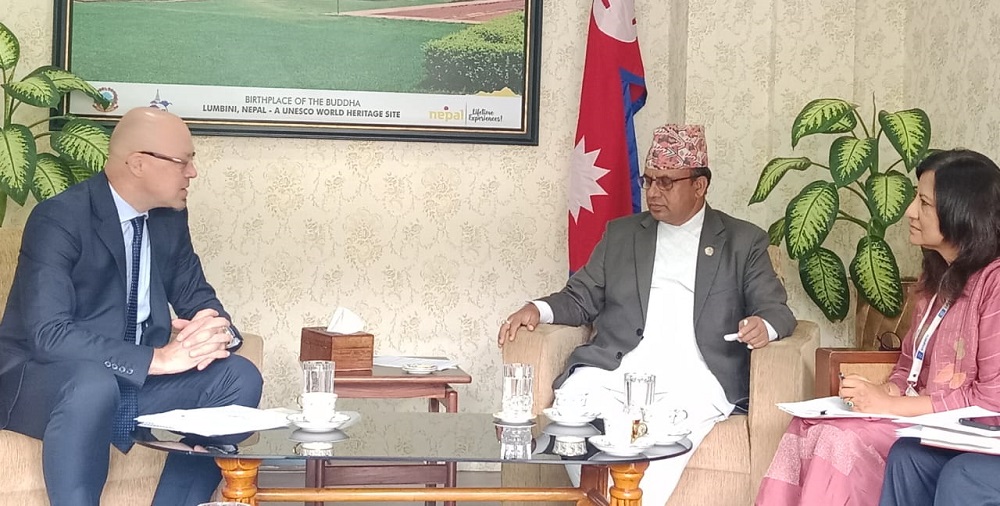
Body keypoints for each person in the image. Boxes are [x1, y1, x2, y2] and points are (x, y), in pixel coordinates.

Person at [497, 124, 797, 504]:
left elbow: (775, 309)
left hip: (695, 373)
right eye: (649, 180)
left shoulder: (742, 241)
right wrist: (537, 309)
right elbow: (580, 296)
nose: (653, 192)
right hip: (618, 365)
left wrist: (763, 326)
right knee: (569, 422)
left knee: (662, 441)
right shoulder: (623, 235)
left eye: (666, 182)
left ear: (700, 185)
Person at [0, 107, 264, 506]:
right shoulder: (59, 218)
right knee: (93, 385)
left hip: (130, 384)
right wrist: (158, 359)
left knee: (238, 377)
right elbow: (49, 336)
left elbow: (200, 299)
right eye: (183, 162)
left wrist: (215, 332)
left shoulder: (168, 219)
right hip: (48, 382)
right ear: (138, 164)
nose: (192, 173)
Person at [755, 149, 1000, 506]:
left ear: (962, 211)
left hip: (967, 433)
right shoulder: (935, 278)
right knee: (810, 427)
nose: (910, 211)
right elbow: (908, 367)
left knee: (839, 441)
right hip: (924, 422)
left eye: (924, 203)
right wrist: (880, 392)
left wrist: (890, 405)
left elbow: (990, 401)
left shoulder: (994, 283)